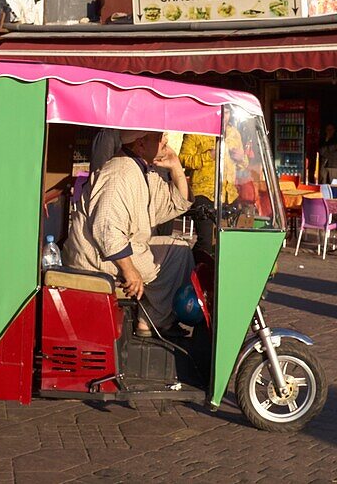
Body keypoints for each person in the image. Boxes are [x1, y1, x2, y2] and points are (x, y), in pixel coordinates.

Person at [64, 130, 193, 337]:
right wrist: (130, 270)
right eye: (159, 138)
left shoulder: (142, 170)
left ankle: (152, 318)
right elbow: (106, 229)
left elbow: (173, 204)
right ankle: (156, 321)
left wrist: (176, 166)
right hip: (96, 257)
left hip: (115, 247)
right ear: (140, 145)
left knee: (180, 250)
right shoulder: (119, 172)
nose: (165, 141)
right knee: (171, 260)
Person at [179, 105, 246, 255]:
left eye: (227, 112)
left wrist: (241, 158)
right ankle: (194, 270)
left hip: (229, 193)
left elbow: (243, 164)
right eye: (220, 111)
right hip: (204, 193)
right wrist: (207, 156)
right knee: (206, 240)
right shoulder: (196, 131)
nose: (224, 116)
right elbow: (182, 159)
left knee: (227, 240)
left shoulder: (233, 133)